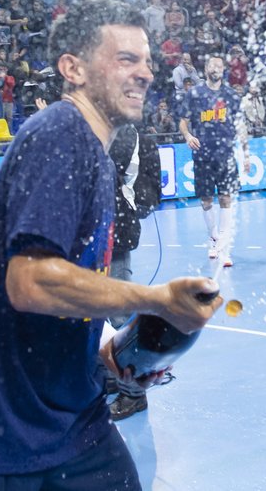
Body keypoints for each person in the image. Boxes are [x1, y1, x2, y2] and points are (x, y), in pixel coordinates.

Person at [0, 0, 221, 490]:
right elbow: (31, 281)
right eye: (126, 59)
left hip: (65, 418)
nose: (144, 73)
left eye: (146, 61)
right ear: (72, 69)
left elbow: (70, 281)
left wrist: (110, 351)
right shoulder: (61, 133)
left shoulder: (94, 154)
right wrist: (158, 300)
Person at [106, 123, 164, 421]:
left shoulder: (123, 134)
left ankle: (133, 392)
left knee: (117, 314)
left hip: (113, 229)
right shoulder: (117, 130)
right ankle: (109, 376)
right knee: (100, 312)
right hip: (105, 229)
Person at [180, 54, 250, 266]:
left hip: (226, 154)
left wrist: (246, 154)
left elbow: (240, 126)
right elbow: (183, 122)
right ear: (206, 68)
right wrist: (188, 136)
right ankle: (213, 239)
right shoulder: (195, 94)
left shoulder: (230, 95)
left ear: (223, 70)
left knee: (226, 198)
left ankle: (224, 248)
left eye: (219, 65)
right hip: (202, 155)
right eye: (212, 64)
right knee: (206, 200)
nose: (216, 67)